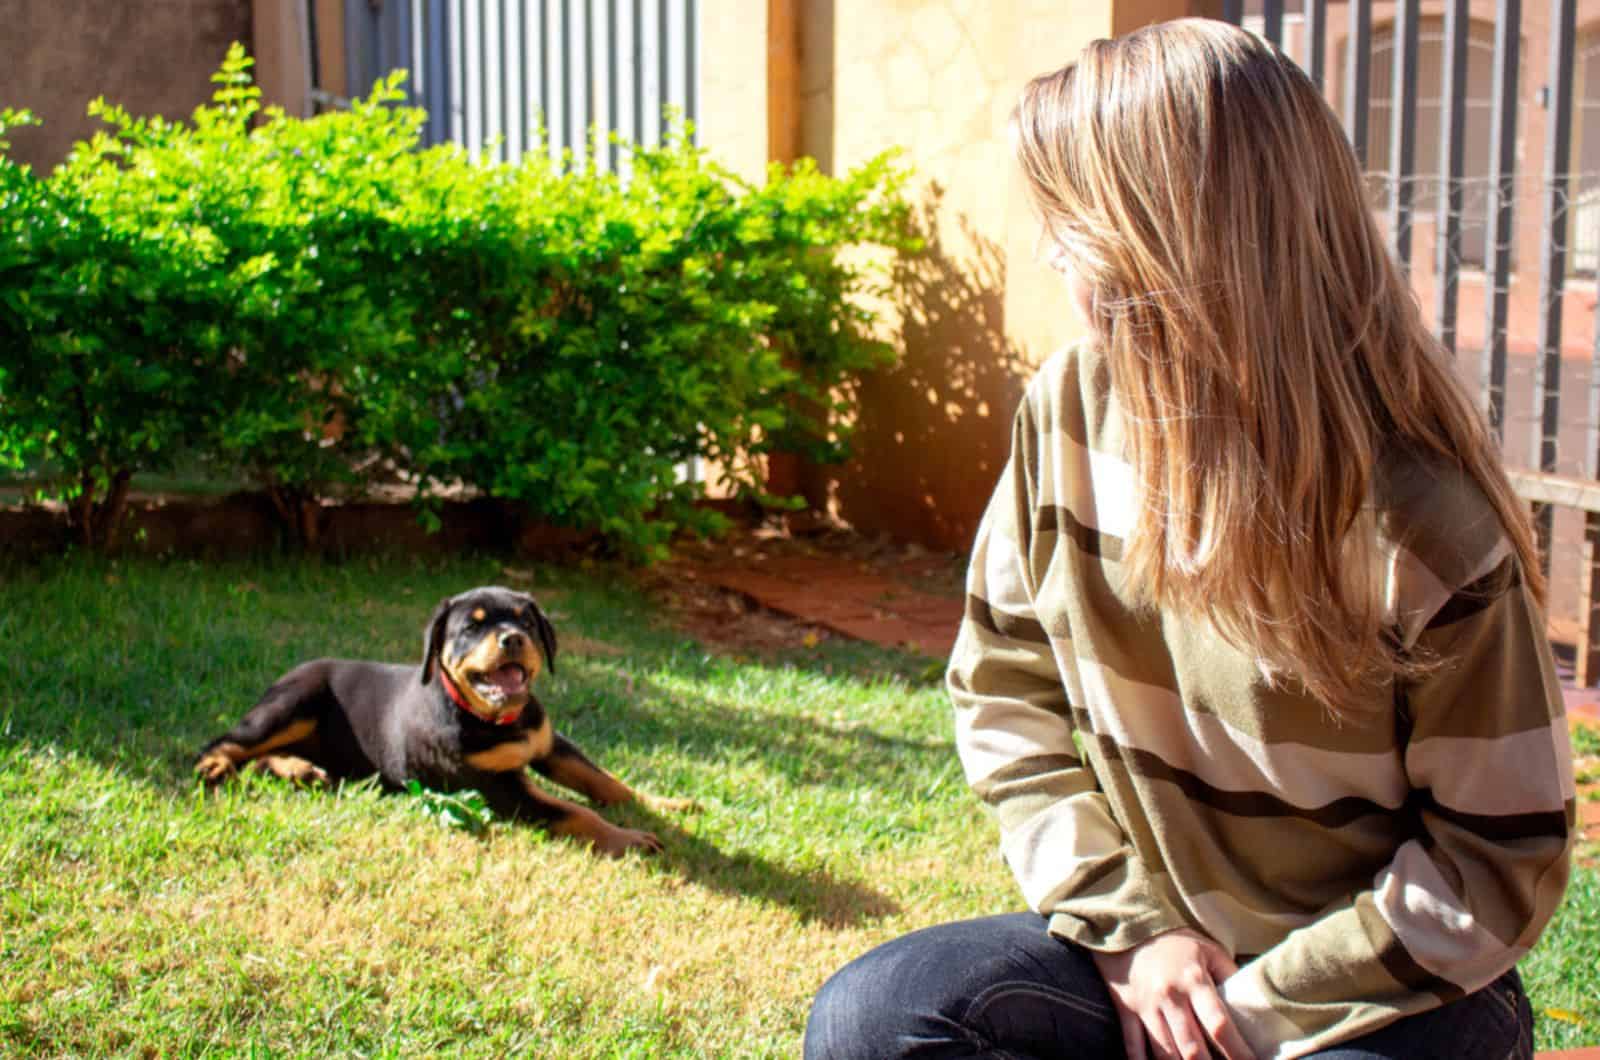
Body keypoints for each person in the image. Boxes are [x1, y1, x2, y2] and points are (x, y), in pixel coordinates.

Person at [804, 18, 1575, 1060]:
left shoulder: (1426, 525)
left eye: (1069, 221)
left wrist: (1245, 1019)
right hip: (1154, 965)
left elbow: (1497, 859)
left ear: (1169, 242)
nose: (1044, 250)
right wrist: (1134, 935)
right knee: (876, 1022)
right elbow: (1000, 686)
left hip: (1394, 997)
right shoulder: (1068, 410)